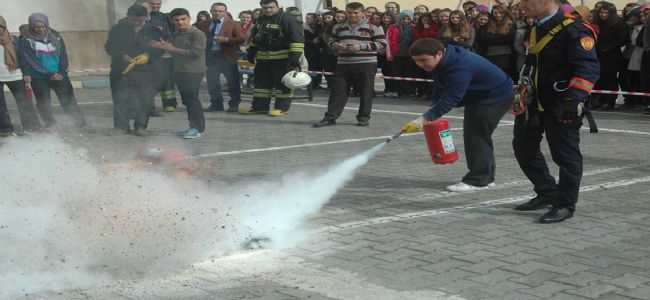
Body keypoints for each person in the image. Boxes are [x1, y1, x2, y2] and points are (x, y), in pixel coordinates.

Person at [512, 0, 600, 223]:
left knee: (565, 155)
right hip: (533, 102)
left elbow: (588, 68)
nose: (522, 5)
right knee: (523, 147)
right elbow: (532, 65)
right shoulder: (535, 28)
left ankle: (565, 203)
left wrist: (573, 99)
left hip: (562, 103)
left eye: (527, 1)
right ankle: (546, 191)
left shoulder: (575, 29)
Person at [401, 38, 513, 193]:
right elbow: (440, 87)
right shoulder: (444, 60)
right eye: (416, 61)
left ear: (438, 54)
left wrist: (425, 119)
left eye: (423, 60)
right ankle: (486, 177)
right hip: (481, 96)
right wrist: (433, 109)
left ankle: (478, 180)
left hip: (494, 97)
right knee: (478, 135)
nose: (420, 64)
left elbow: (451, 97)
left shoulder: (460, 66)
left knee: (476, 136)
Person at [313, 2, 386, 127]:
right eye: (349, 13)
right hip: (343, 63)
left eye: (356, 13)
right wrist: (337, 45)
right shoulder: (338, 26)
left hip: (366, 63)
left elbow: (382, 44)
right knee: (337, 91)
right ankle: (330, 117)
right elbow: (331, 41)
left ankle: (363, 118)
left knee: (366, 91)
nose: (352, 15)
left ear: (363, 13)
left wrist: (360, 46)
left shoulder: (374, 26)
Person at [21, 13, 88, 131]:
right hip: (40, 77)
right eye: (37, 27)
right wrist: (49, 74)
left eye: (43, 26)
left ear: (47, 25)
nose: (41, 29)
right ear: (32, 27)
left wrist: (61, 72)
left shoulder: (56, 36)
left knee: (68, 99)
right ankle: (50, 123)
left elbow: (63, 55)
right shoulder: (27, 40)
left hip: (59, 75)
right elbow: (31, 60)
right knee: (43, 102)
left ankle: (79, 123)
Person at [105, 4, 163, 136]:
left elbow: (161, 48)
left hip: (145, 71)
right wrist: (122, 55)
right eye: (133, 20)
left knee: (144, 99)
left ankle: (140, 126)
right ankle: (121, 127)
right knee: (120, 98)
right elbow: (109, 47)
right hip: (121, 70)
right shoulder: (117, 29)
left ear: (146, 17)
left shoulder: (153, 30)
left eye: (140, 20)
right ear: (127, 16)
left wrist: (148, 55)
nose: (136, 23)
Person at [150, 8, 207, 139]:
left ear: (189, 18)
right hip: (179, 70)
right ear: (172, 20)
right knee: (187, 101)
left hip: (193, 71)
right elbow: (173, 51)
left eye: (183, 19)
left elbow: (195, 53)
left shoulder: (197, 34)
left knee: (192, 100)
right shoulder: (176, 33)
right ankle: (192, 127)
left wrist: (172, 48)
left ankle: (198, 129)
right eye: (177, 20)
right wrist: (163, 47)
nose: (180, 22)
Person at [243, 0, 304, 116]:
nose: (268, 10)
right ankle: (259, 107)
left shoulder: (288, 20)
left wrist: (294, 58)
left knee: (282, 85)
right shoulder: (261, 19)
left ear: (278, 6)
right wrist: (251, 51)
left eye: (271, 7)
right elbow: (256, 37)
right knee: (261, 85)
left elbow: (297, 40)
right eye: (265, 8)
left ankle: (281, 108)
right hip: (263, 59)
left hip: (282, 59)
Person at [199, 2, 245, 113]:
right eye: (215, 11)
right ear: (210, 11)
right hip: (210, 56)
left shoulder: (233, 23)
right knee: (212, 82)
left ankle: (234, 104)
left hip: (226, 56)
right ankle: (216, 104)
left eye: (220, 11)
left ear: (225, 12)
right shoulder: (204, 24)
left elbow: (241, 39)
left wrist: (225, 40)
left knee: (232, 82)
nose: (217, 13)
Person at [0, 15, 41, 135]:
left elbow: (22, 57)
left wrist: (26, 73)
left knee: (24, 101)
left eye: (0, 26)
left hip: (15, 74)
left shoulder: (13, 40)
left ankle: (31, 125)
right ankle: (5, 128)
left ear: (4, 26)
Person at [147, 0, 177, 114]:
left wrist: (167, 44)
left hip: (165, 54)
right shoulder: (143, 17)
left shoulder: (165, 17)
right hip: (147, 55)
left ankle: (170, 103)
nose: (155, 6)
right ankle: (149, 107)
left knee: (168, 80)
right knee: (150, 81)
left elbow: (172, 33)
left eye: (158, 4)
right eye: (152, 4)